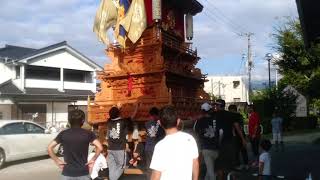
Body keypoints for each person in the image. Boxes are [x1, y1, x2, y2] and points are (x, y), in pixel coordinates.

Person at [48, 109, 103, 180]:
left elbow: (49, 148)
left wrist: (57, 160)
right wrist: (93, 159)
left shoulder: (63, 133)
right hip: (83, 173)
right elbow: (100, 147)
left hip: (67, 173)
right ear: (83, 121)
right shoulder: (88, 133)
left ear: (69, 121)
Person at [150, 106, 199, 180]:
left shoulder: (160, 146)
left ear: (159, 123)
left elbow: (156, 175)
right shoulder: (190, 139)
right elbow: (195, 163)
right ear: (178, 121)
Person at [214, 99, 246, 180]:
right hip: (229, 142)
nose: (215, 107)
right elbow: (237, 127)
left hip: (219, 144)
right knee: (231, 165)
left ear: (219, 105)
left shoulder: (213, 115)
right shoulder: (231, 115)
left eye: (216, 105)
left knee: (220, 166)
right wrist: (243, 139)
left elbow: (236, 127)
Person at [106, 105, 137, 180]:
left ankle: (112, 178)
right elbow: (133, 116)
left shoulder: (109, 121)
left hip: (110, 149)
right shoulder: (124, 122)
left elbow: (113, 116)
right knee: (121, 166)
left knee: (112, 167)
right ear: (119, 113)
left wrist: (118, 108)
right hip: (120, 149)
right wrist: (136, 107)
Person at [194, 102, 219, 180]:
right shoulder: (216, 119)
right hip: (217, 148)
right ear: (210, 110)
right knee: (209, 172)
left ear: (202, 111)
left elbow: (195, 130)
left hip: (206, 149)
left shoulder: (199, 121)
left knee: (211, 173)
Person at [144, 107, 165, 177]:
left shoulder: (146, 124)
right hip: (156, 148)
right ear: (156, 115)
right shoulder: (160, 124)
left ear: (150, 115)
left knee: (149, 167)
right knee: (158, 167)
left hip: (148, 148)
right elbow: (162, 135)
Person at [228, 104, 249, 170]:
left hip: (236, 136)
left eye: (230, 110)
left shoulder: (233, 116)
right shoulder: (240, 115)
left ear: (232, 110)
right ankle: (246, 164)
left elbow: (236, 127)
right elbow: (241, 126)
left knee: (236, 151)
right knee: (243, 150)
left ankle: (239, 165)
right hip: (241, 134)